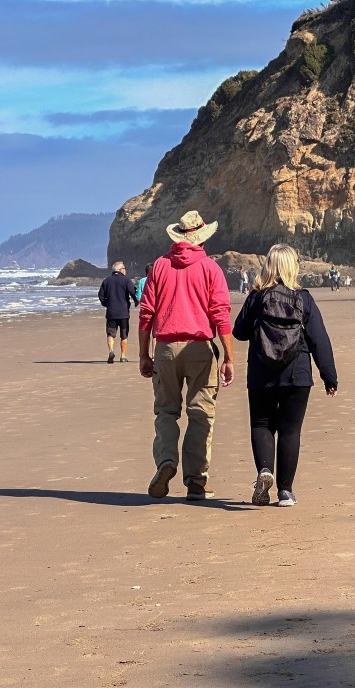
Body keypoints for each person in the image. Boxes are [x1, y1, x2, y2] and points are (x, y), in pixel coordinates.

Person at [138, 210, 234, 502]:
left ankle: (167, 461)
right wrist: (230, 357)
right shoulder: (210, 268)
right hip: (199, 347)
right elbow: (220, 313)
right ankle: (195, 481)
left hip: (165, 346)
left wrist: (144, 353)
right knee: (200, 412)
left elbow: (146, 314)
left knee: (166, 411)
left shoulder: (159, 267)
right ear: (201, 238)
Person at [233, 244, 338, 507]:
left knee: (261, 424)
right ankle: (285, 492)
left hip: (261, 372)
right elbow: (319, 340)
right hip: (297, 373)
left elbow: (239, 332)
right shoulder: (304, 298)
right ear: (293, 266)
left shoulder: (257, 297)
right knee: (290, 431)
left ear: (268, 266)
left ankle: (265, 470)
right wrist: (329, 376)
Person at [98, 261, 139, 364]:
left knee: (110, 334)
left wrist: (106, 304)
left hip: (111, 312)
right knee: (124, 335)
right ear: (121, 270)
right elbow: (133, 293)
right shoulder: (126, 280)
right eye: (124, 268)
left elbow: (101, 295)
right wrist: (136, 301)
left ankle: (111, 351)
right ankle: (123, 356)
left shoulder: (106, 281)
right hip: (123, 312)